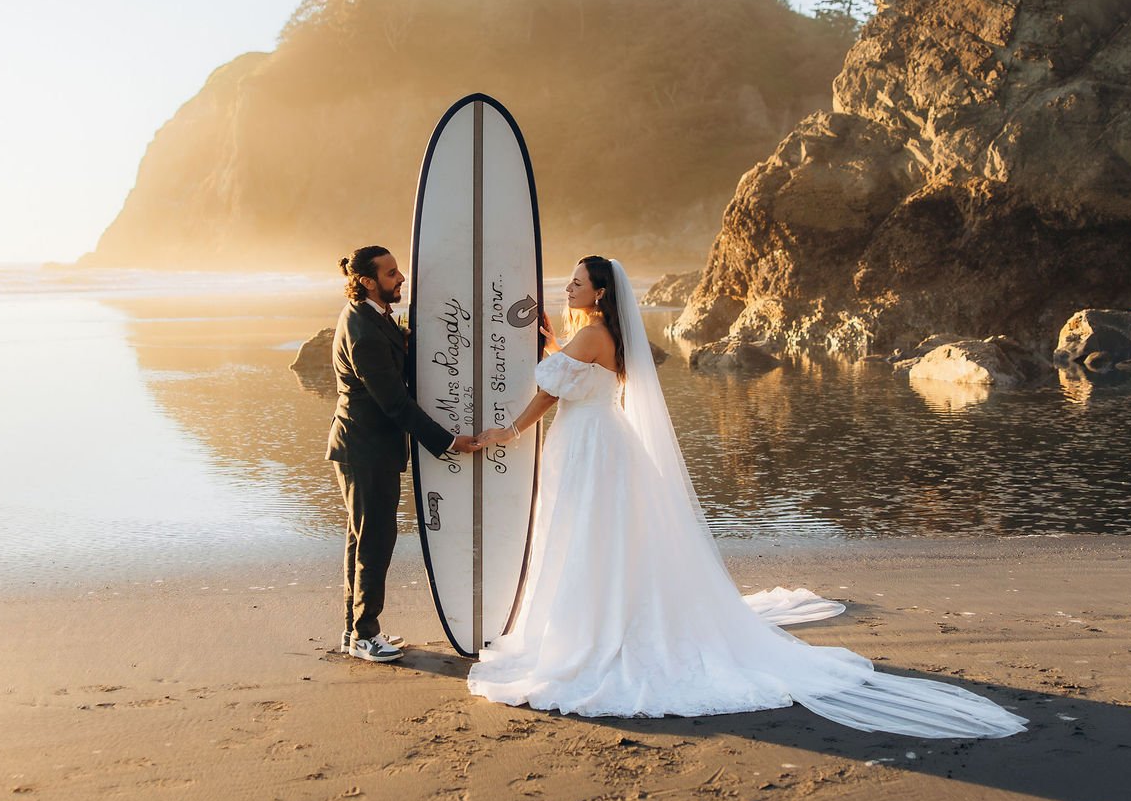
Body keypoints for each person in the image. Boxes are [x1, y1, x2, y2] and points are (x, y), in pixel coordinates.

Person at [467, 256, 1024, 738]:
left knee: (584, 536)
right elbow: (572, 372)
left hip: (587, 444)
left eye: (578, 282)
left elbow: (548, 389)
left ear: (602, 292)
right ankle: (603, 617)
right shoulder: (601, 336)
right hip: (600, 441)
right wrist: (551, 342)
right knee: (601, 539)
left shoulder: (591, 335)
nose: (569, 288)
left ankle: (585, 634)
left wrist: (509, 431)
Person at [328, 245, 480, 663]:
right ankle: (364, 635)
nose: (401, 278)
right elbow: (395, 403)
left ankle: (353, 630)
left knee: (362, 539)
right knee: (374, 540)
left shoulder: (373, 319)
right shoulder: (362, 331)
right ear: (367, 281)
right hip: (364, 448)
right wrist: (449, 441)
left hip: (365, 447)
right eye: (392, 273)